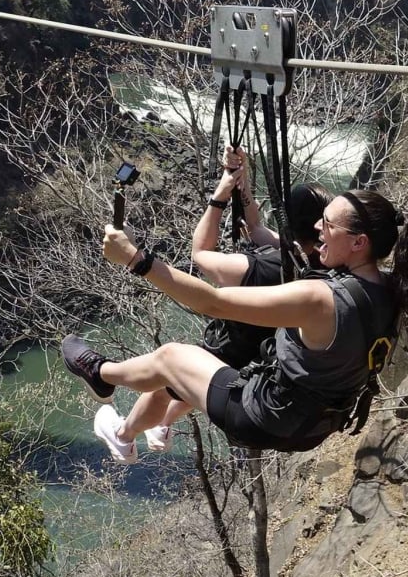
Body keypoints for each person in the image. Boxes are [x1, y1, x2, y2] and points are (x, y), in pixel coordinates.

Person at [62, 176, 408, 458]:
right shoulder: (393, 290)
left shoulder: (320, 297)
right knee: (189, 371)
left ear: (359, 243)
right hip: (314, 426)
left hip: (262, 416)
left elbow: (213, 302)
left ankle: (100, 373)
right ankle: (122, 407)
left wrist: (135, 259)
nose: (319, 228)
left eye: (329, 224)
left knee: (171, 357)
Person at [138, 147, 329, 456]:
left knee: (168, 379)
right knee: (191, 392)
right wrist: (243, 184)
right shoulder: (318, 262)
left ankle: (127, 432)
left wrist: (220, 196)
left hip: (235, 347)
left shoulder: (265, 266)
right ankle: (164, 424)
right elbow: (255, 228)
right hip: (267, 360)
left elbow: (200, 253)